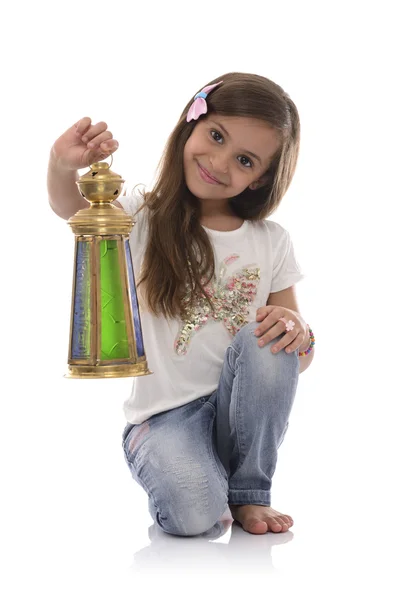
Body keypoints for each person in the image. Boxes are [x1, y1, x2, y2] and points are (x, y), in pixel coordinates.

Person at [48, 71, 316, 538]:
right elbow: (72, 208)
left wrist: (298, 330)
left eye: (245, 159)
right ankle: (195, 477)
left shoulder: (271, 241)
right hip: (165, 418)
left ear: (260, 179)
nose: (218, 161)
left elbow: (295, 357)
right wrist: (60, 164)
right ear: (190, 125)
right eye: (215, 136)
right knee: (194, 518)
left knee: (266, 336)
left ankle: (249, 491)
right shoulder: (140, 215)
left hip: (239, 412)